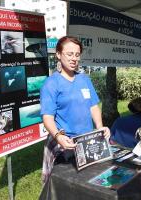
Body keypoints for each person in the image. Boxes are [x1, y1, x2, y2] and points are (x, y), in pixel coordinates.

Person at [40, 36, 110, 184]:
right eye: (69, 54)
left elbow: (93, 106)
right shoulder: (51, 84)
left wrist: (99, 127)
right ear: (58, 54)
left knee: (89, 185)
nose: (74, 59)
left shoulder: (84, 79)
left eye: (77, 55)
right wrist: (58, 136)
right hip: (65, 146)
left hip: (87, 142)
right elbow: (47, 118)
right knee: (64, 188)